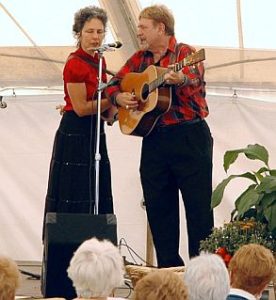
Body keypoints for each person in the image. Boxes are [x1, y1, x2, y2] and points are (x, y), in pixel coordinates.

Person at [105, 4, 214, 267]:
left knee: (198, 210)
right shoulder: (139, 60)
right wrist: (119, 96)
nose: (138, 33)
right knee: (159, 210)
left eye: (143, 27)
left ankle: (203, 276)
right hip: (154, 141)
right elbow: (112, 84)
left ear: (160, 28)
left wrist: (180, 79)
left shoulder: (185, 53)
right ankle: (169, 273)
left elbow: (193, 76)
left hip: (189, 138)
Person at [43, 5, 115, 229]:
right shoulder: (75, 63)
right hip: (76, 131)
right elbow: (82, 107)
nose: (95, 37)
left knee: (94, 186)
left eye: (100, 32)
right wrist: (114, 100)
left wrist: (112, 112)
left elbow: (98, 103)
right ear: (79, 33)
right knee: (74, 187)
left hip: (94, 130)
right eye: (90, 31)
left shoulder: (100, 62)